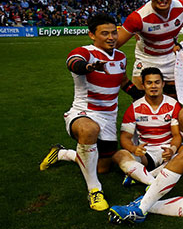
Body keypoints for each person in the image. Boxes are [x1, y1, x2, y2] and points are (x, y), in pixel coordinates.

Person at [39, 13, 143, 211]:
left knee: (102, 168)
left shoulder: (120, 57)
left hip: (108, 119)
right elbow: (73, 63)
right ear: (92, 35)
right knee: (89, 130)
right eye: (105, 33)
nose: (111, 37)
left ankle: (61, 154)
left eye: (114, 33)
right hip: (83, 114)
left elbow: (123, 82)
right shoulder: (85, 52)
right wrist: (89, 67)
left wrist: (141, 96)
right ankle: (94, 191)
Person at [116, 0, 183, 95]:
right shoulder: (138, 17)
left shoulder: (182, 8)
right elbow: (115, 43)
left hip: (170, 57)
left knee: (173, 100)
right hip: (147, 59)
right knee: (141, 100)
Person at [113, 68, 181, 186]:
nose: (153, 86)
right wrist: (134, 149)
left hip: (168, 152)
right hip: (146, 153)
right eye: (149, 83)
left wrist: (172, 149)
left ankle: (139, 175)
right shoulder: (134, 108)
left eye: (157, 82)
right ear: (143, 85)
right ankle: (153, 182)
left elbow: (176, 135)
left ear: (163, 84)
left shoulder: (173, 105)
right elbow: (125, 137)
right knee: (119, 155)